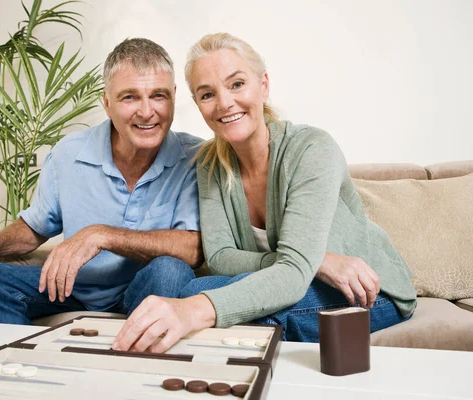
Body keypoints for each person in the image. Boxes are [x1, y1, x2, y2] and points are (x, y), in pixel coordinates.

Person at [112, 33, 417, 353]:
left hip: (368, 290)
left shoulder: (312, 150)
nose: (225, 103)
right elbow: (219, 258)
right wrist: (318, 262)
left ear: (264, 85)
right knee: (196, 288)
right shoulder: (210, 165)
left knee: (211, 305)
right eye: (207, 94)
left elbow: (293, 276)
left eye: (237, 84)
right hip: (300, 278)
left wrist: (300, 265)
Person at [0, 38, 205, 324]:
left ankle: (137, 363)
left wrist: (101, 235)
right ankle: (23, 364)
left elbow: (192, 250)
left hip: (145, 291)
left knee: (171, 270)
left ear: (173, 97)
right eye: (129, 97)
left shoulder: (195, 157)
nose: (146, 111)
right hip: (72, 288)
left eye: (158, 95)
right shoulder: (69, 152)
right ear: (106, 102)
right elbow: (34, 227)